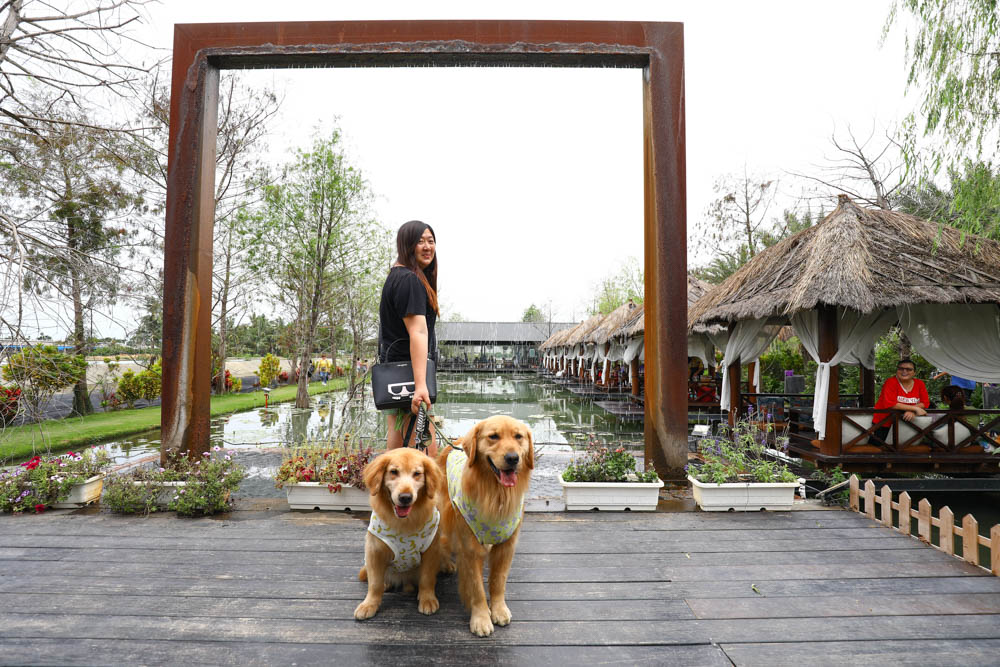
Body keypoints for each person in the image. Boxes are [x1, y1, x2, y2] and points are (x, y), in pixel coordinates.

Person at [378, 220, 439, 456]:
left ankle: (389, 493)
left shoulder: (396, 277)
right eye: (420, 241)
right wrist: (421, 385)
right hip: (411, 377)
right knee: (426, 458)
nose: (427, 247)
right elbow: (418, 332)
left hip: (396, 375)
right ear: (406, 245)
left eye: (431, 241)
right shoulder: (409, 280)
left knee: (398, 452)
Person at [870, 358, 930, 446]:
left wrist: (911, 411)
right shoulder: (890, 382)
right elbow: (890, 404)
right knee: (877, 448)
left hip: (908, 422)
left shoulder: (920, 384)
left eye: (909, 369)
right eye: (901, 368)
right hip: (884, 421)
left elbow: (925, 402)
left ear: (914, 373)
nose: (904, 371)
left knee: (905, 448)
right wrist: (915, 408)